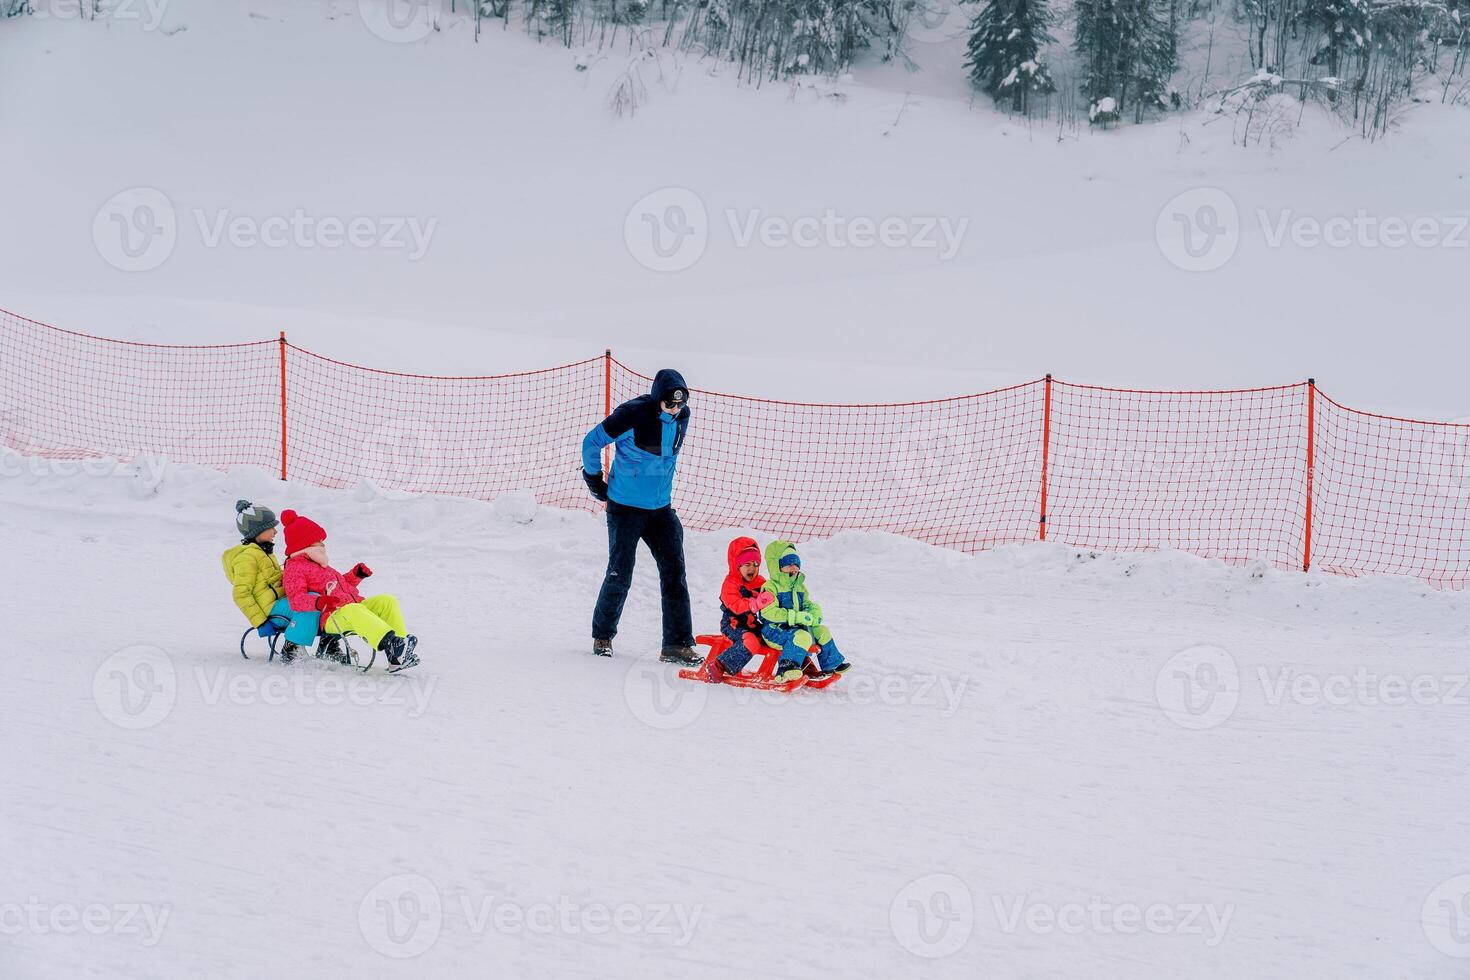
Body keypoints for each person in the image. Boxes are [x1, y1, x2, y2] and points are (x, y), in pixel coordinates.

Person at [580, 368, 700, 665]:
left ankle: (676, 645)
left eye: (679, 404)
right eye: (669, 404)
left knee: (675, 573)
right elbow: (591, 442)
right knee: (621, 572)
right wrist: (595, 481)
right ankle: (603, 636)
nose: (675, 409)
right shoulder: (632, 414)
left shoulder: (682, 417)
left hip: (660, 509)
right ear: (658, 398)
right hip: (625, 508)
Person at [279, 509, 420, 670]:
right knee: (353, 610)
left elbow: (340, 588)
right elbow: (296, 600)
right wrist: (319, 602)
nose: (323, 544)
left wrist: (355, 575)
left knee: (387, 601)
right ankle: (392, 644)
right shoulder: (295, 568)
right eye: (318, 540)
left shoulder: (320, 565)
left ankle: (397, 656)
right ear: (305, 542)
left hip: (349, 608)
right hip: (329, 617)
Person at [758, 540, 851, 682]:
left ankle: (831, 664)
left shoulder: (799, 586)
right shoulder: (770, 587)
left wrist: (814, 613)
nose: (793, 567)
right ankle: (786, 668)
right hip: (773, 630)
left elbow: (807, 604)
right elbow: (768, 612)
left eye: (796, 563)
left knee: (821, 630)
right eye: (788, 564)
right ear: (777, 565)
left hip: (793, 629)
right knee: (803, 636)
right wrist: (796, 617)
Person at [694, 536, 775, 683]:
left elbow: (771, 596)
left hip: (751, 624)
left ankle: (795, 667)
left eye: (756, 564)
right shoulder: (730, 583)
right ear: (737, 566)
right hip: (732, 624)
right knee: (750, 642)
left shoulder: (761, 582)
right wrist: (754, 604)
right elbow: (735, 605)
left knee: (774, 635)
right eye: (747, 565)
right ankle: (719, 665)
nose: (752, 568)